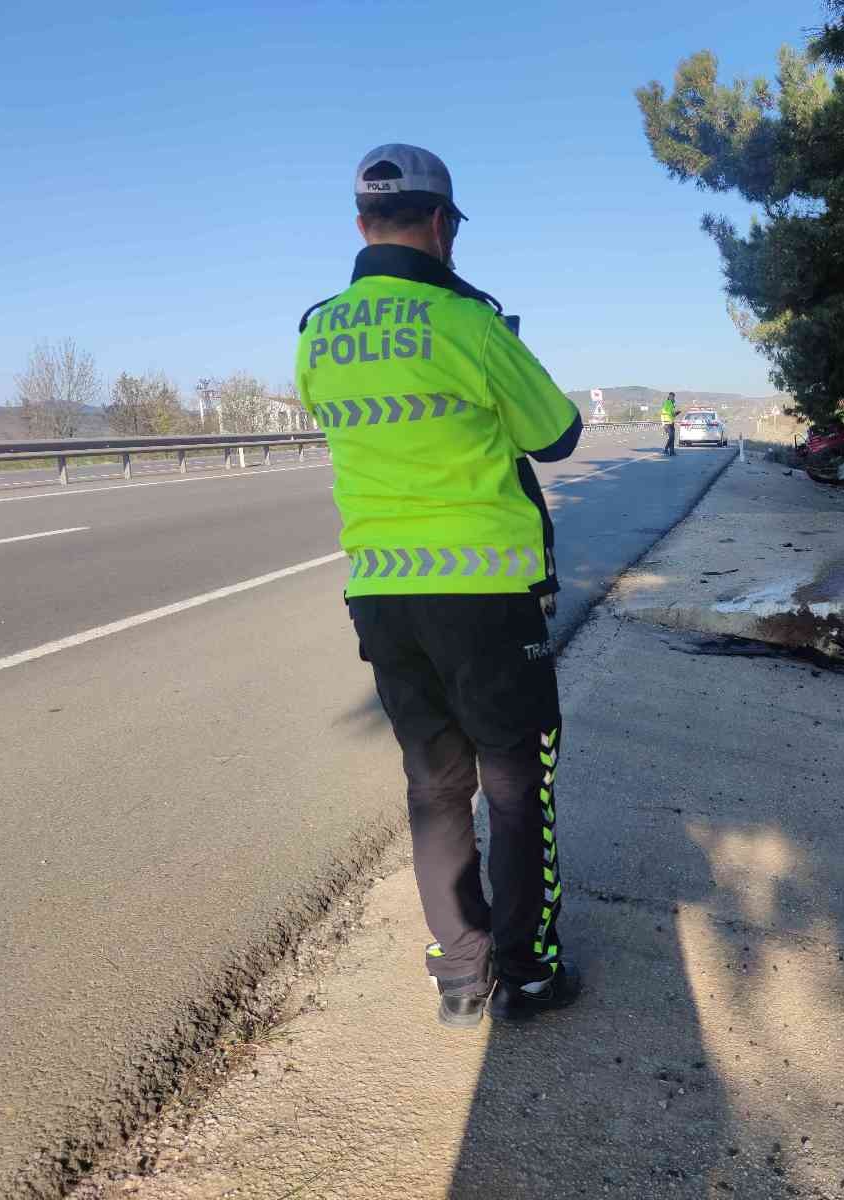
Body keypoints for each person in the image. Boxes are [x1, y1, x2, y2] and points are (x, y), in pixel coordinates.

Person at [295, 144, 584, 1028]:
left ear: (360, 227)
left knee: (433, 787)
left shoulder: (316, 332)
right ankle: (528, 971)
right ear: (440, 224)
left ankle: (460, 980)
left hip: (382, 594)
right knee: (512, 786)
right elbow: (559, 435)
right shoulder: (469, 325)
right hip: (487, 595)